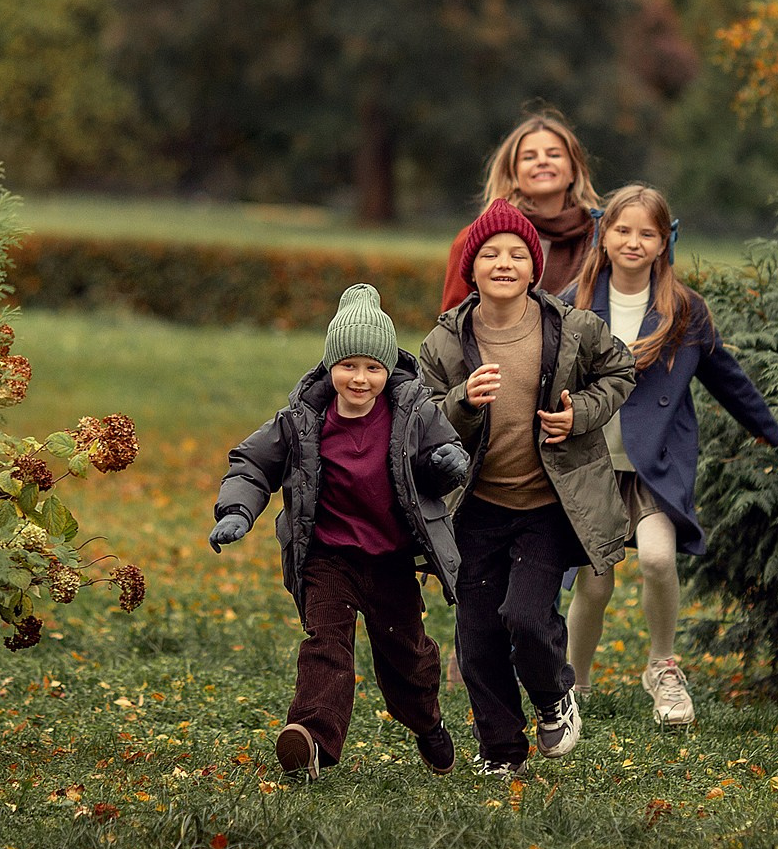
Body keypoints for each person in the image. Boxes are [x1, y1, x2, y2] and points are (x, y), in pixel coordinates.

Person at [209, 285, 471, 779]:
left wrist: (447, 465)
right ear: (331, 365)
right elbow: (252, 464)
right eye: (348, 365)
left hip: (390, 560)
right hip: (328, 558)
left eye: (372, 367)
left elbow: (440, 459)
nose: (360, 378)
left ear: (387, 369)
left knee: (408, 657)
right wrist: (237, 511)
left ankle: (427, 722)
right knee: (325, 646)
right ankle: (309, 740)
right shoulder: (301, 421)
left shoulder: (413, 414)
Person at [418, 200, 637, 775]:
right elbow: (424, 417)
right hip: (476, 507)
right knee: (477, 634)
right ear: (471, 268)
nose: (504, 263)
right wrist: (462, 401)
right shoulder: (446, 341)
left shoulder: (572, 327)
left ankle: (553, 693)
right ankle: (500, 749)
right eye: (490, 254)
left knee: (525, 615)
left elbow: (620, 371)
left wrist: (580, 413)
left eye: (517, 254)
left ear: (534, 267)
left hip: (546, 506)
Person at [560, 185, 778, 726]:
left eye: (648, 233)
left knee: (659, 559)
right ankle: (572, 686)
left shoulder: (684, 310)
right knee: (595, 582)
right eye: (623, 230)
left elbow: (726, 376)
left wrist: (769, 431)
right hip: (592, 465)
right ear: (603, 235)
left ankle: (662, 667)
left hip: (654, 464)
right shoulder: (572, 302)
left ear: (665, 242)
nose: (633, 242)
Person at [438, 113, 602, 313]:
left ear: (573, 171)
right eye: (529, 157)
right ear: (513, 174)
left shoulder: (600, 239)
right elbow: (454, 318)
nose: (542, 161)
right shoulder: (474, 238)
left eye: (554, 155)